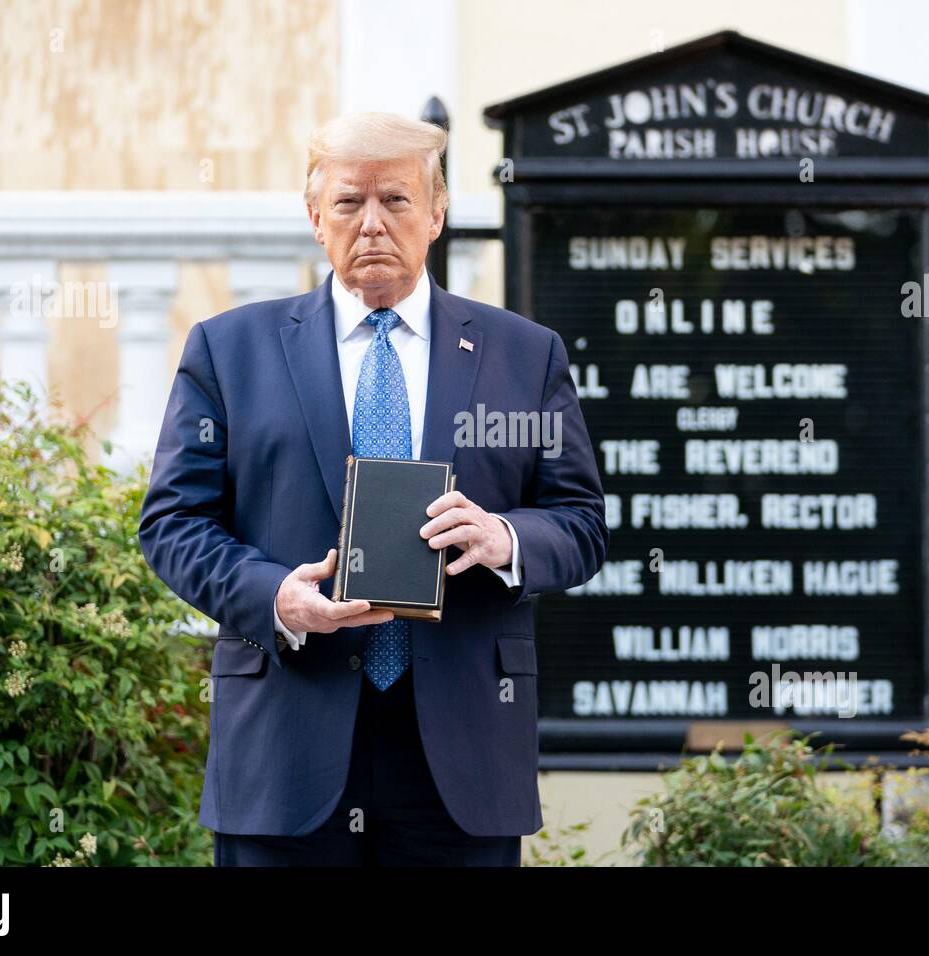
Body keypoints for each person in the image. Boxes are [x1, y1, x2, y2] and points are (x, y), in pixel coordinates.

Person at [138, 111, 608, 866]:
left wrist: (507, 539)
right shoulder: (230, 351)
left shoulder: (523, 355)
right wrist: (273, 597)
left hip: (462, 756)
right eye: (350, 202)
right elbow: (172, 522)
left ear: (437, 214)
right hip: (286, 746)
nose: (372, 224)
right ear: (314, 216)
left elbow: (582, 523)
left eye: (395, 200)